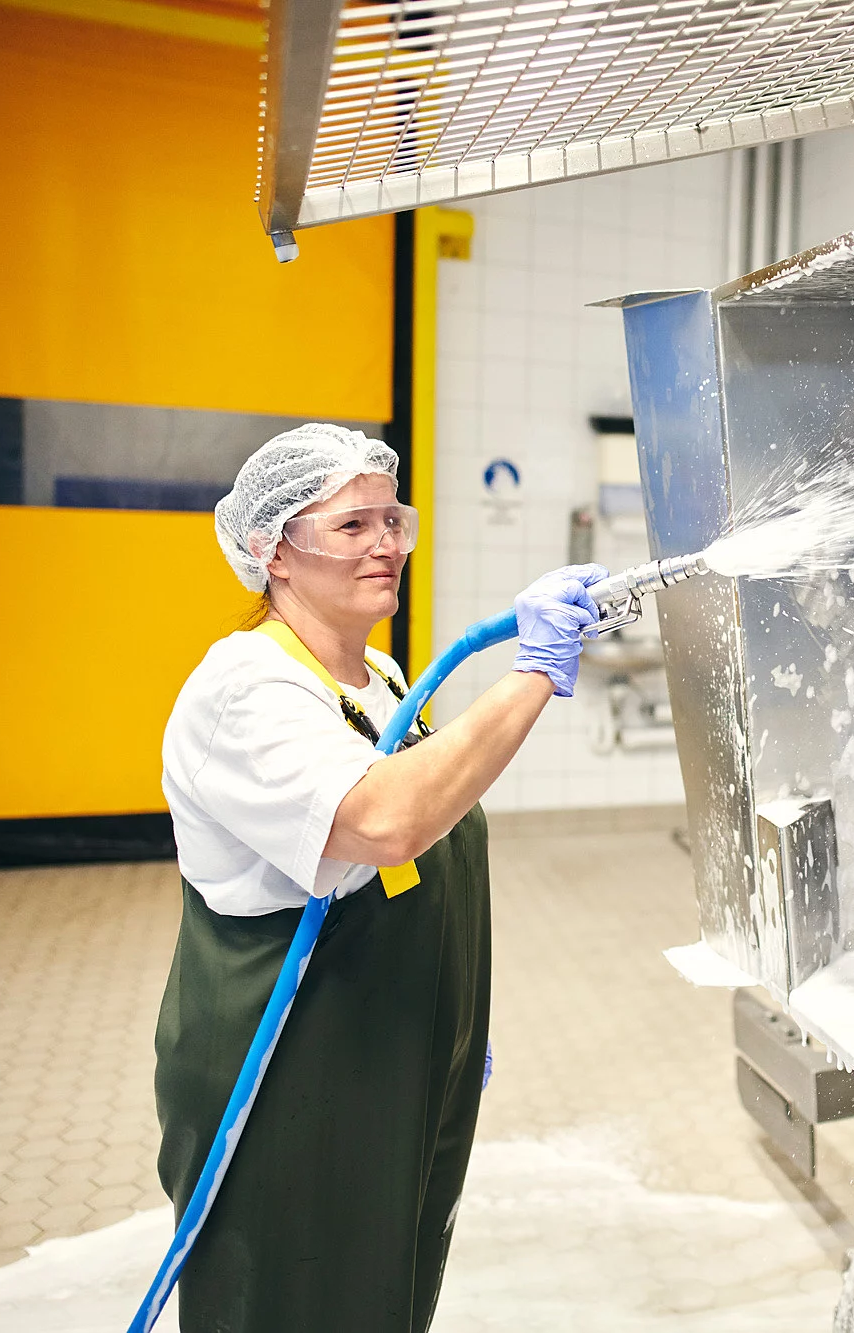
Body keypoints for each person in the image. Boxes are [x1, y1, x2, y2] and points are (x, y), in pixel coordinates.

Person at [154, 423, 604, 1332]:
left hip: (385, 1048)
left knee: (384, 1290)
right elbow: (388, 820)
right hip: (285, 1074)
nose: (387, 544)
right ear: (273, 550)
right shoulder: (245, 689)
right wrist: (533, 675)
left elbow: (433, 830)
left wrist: (446, 1019)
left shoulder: (382, 677)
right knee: (291, 1299)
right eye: (353, 525)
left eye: (393, 520)